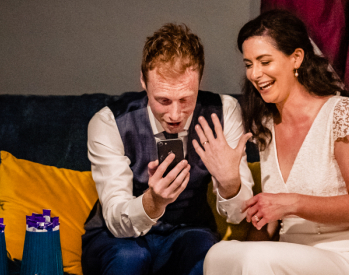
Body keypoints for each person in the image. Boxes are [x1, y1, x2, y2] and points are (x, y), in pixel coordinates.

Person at [203, 10, 349, 275]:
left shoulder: (342, 113)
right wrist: (234, 189)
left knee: (258, 259)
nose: (255, 74)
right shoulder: (266, 125)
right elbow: (270, 225)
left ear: (296, 58)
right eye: (248, 64)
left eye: (264, 61)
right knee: (218, 255)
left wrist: (291, 203)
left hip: (345, 256)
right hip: (289, 255)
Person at [82, 23, 254, 275]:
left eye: (186, 99)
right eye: (163, 100)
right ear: (143, 81)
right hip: (118, 240)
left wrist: (230, 183)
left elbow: (238, 216)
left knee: (203, 251)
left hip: (188, 230)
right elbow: (117, 220)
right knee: (130, 257)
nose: (175, 115)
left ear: (199, 81)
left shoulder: (223, 112)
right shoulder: (110, 122)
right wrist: (153, 202)